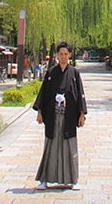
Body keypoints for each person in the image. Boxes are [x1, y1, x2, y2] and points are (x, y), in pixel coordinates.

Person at [31, 41, 87, 190]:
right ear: (57, 55)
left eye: (66, 54)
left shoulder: (74, 73)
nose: (63, 57)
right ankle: (44, 179)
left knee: (70, 146)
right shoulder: (51, 72)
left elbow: (80, 94)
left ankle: (72, 180)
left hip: (69, 115)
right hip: (53, 114)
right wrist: (40, 112)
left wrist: (82, 114)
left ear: (69, 55)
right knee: (51, 146)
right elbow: (44, 94)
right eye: (61, 54)